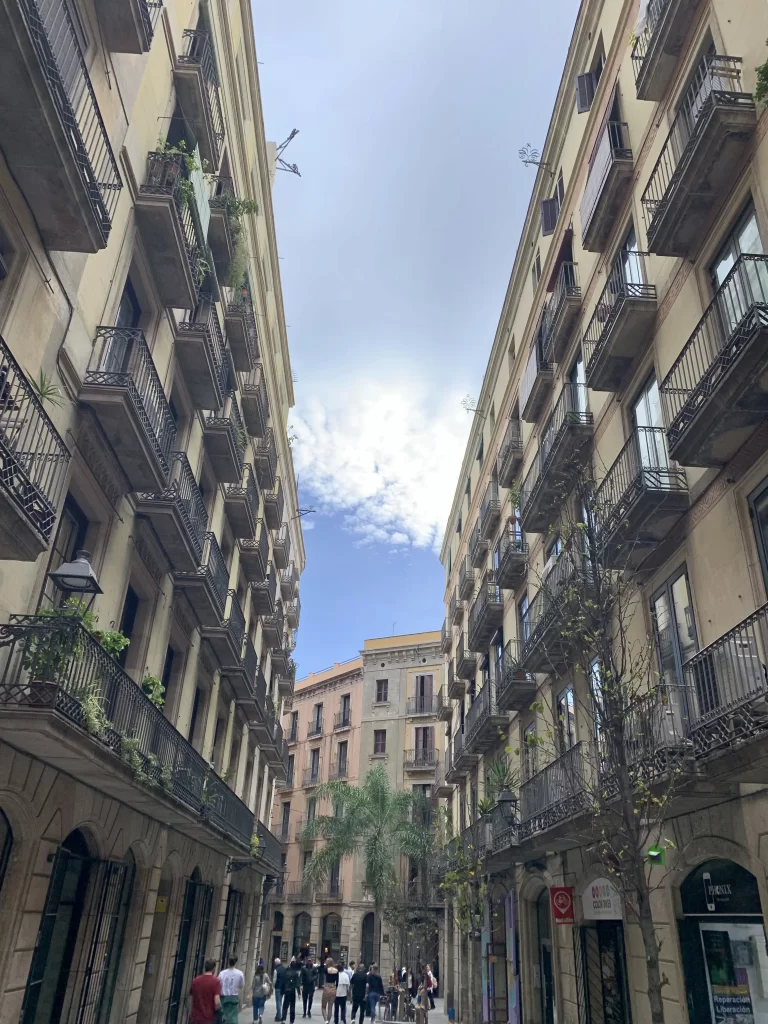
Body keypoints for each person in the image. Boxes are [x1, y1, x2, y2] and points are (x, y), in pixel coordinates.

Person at [189, 957, 222, 1024]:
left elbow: (191, 998)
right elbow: (217, 1003)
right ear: (214, 968)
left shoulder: (195, 980)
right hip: (208, 1019)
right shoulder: (216, 982)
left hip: (195, 1018)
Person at [219, 956, 245, 1023]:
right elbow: (241, 985)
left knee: (223, 1016)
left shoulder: (222, 973)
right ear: (235, 963)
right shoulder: (240, 973)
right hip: (233, 997)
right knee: (233, 1018)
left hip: (223, 998)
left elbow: (218, 984)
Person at [283, 959, 302, 1024]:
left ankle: (283, 1019)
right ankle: (291, 1020)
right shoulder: (295, 974)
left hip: (286, 990)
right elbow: (297, 984)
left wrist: (283, 989)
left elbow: (284, 982)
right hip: (292, 991)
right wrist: (299, 993)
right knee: (292, 1006)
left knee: (285, 1005)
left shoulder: (286, 972)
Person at [321, 958, 339, 1024]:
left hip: (327, 987)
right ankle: (328, 1020)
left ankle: (325, 1020)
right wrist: (335, 988)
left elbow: (322, 969)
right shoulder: (336, 971)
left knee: (323, 1006)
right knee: (330, 1007)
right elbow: (337, 982)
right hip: (333, 988)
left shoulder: (326, 970)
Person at [334, 958, 350, 1024]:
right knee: (343, 1008)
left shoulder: (335, 975)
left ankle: (336, 1020)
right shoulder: (346, 975)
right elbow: (348, 985)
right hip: (343, 994)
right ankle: (343, 1019)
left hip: (336, 994)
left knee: (336, 1008)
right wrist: (348, 992)